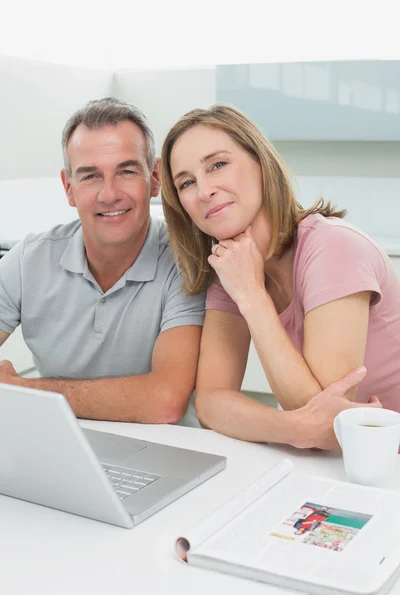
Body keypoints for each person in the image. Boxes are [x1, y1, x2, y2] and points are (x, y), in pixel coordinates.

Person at [160, 103, 399, 444]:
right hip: (338, 465)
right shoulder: (230, 267)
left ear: (260, 162)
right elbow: (211, 404)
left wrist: (252, 295)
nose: (203, 191)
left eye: (218, 165)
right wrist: (296, 429)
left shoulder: (333, 248)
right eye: (186, 183)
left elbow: (318, 408)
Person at [0, 98, 206, 424]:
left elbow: (164, 401)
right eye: (91, 176)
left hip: (166, 458)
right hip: (60, 446)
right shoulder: (29, 259)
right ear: (69, 188)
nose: (109, 194)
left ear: (154, 178)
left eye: (126, 171)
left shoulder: (186, 263)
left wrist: (24, 391)